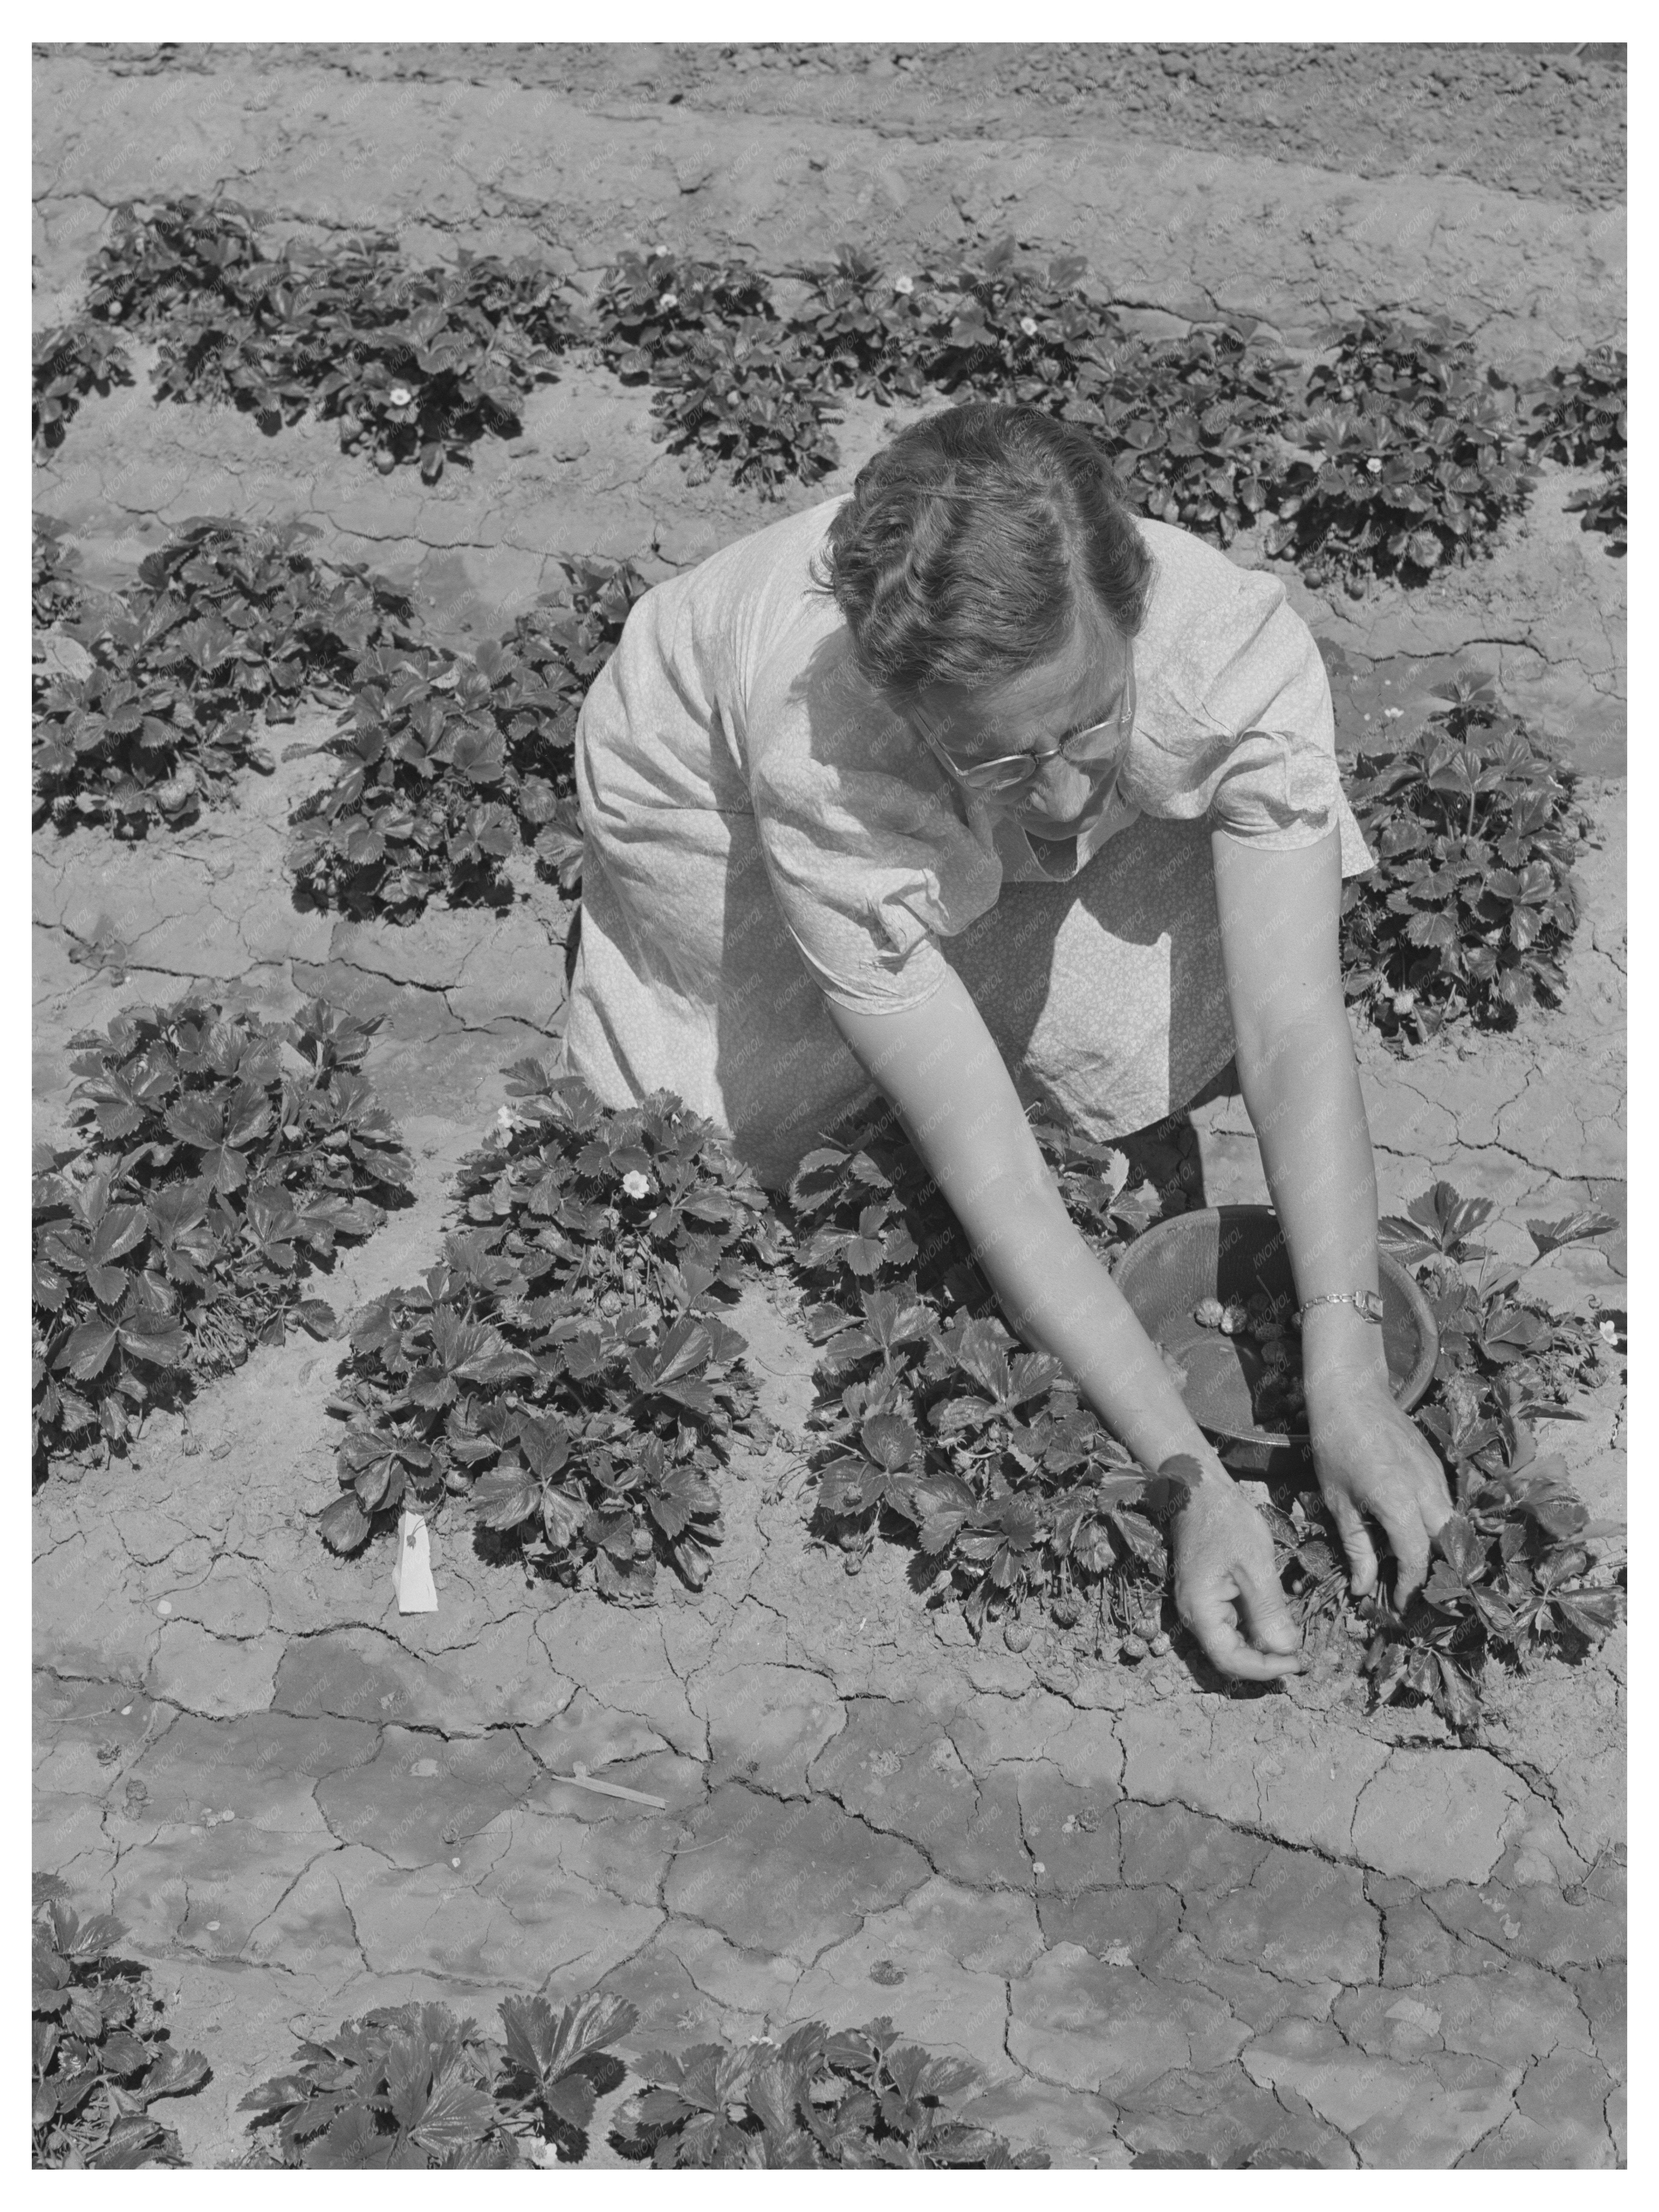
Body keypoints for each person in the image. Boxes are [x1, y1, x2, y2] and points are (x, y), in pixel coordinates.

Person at [559, 401, 1452, 1680]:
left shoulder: (1227, 648)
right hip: (693, 792)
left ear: (1131, 612)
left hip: (991, 735)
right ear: (909, 707)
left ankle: (1014, 855)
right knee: (765, 1114)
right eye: (996, 757)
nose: (1067, 796)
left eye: (1090, 723)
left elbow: (1293, 1024)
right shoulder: (824, 755)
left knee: (1168, 947)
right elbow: (993, 1176)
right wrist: (1189, 1480)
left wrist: (1348, 1367)